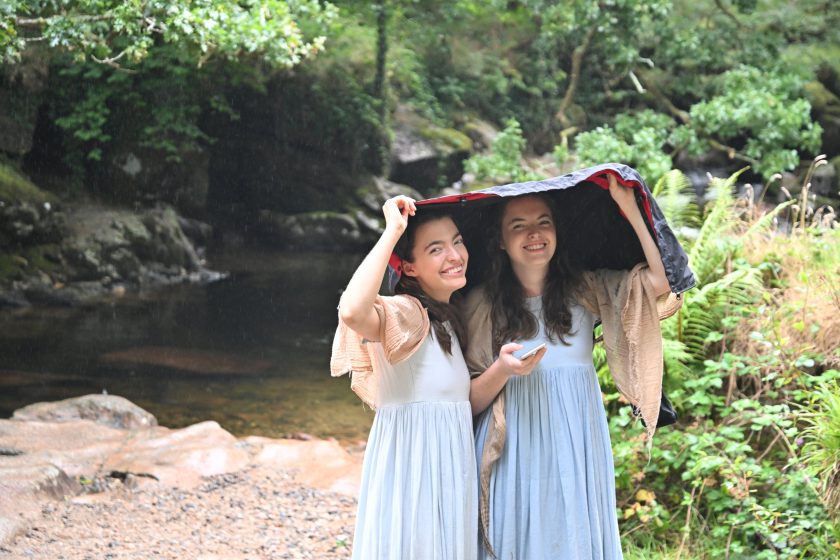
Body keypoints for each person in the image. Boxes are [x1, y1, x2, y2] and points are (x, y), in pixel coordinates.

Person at [465, 173, 677, 559]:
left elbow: (661, 281)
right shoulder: (482, 304)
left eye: (543, 222)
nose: (534, 233)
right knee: (515, 537)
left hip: (575, 438)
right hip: (512, 445)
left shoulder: (587, 289)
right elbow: (468, 404)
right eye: (519, 225)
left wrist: (629, 207)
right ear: (499, 239)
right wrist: (502, 370)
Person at [330, 195, 482, 559]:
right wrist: (393, 231)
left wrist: (506, 369)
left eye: (457, 242)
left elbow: (460, 403)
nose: (455, 255)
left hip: (448, 477)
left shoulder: (446, 318)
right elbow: (352, 311)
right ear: (410, 268)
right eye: (436, 249)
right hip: (413, 478)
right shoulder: (407, 313)